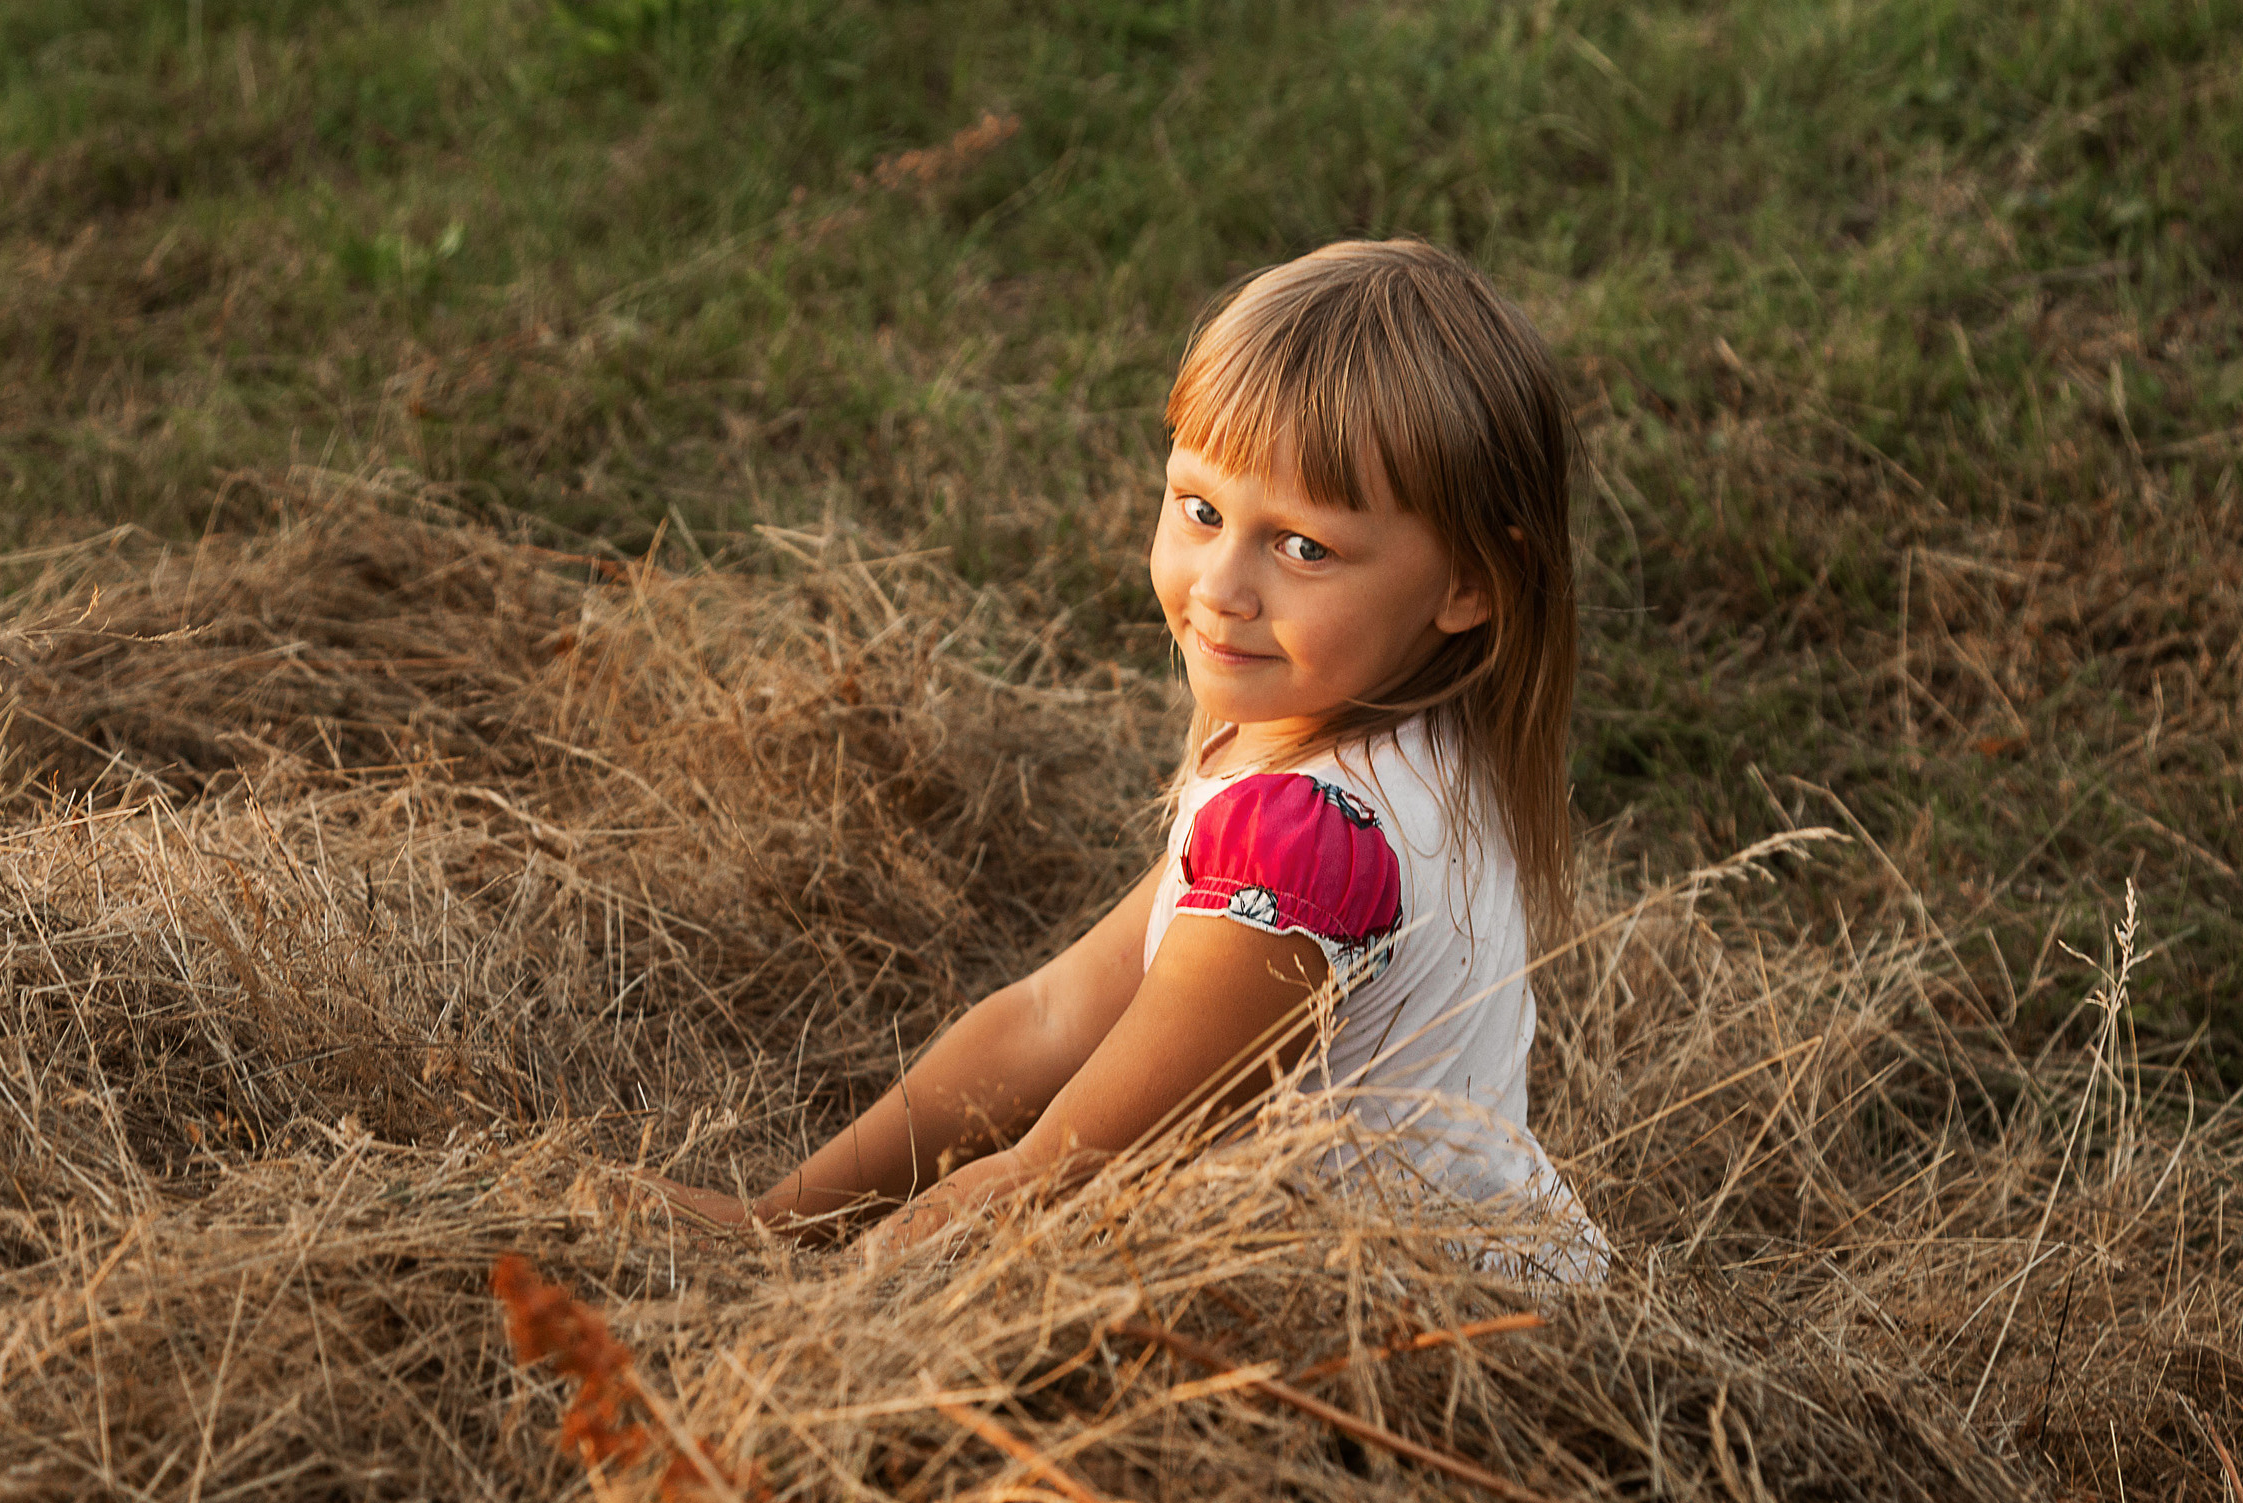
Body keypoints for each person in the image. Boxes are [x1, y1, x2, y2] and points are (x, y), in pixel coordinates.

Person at [649, 238, 1610, 1279]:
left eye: (1303, 547)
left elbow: (1061, 1173)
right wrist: (775, 1223)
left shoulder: (1305, 842)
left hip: (1387, 1337)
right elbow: (1048, 1017)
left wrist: (798, 1299)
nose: (1221, 588)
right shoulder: (1411, 734)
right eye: (1200, 511)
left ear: (1471, 582)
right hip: (1446, 1274)